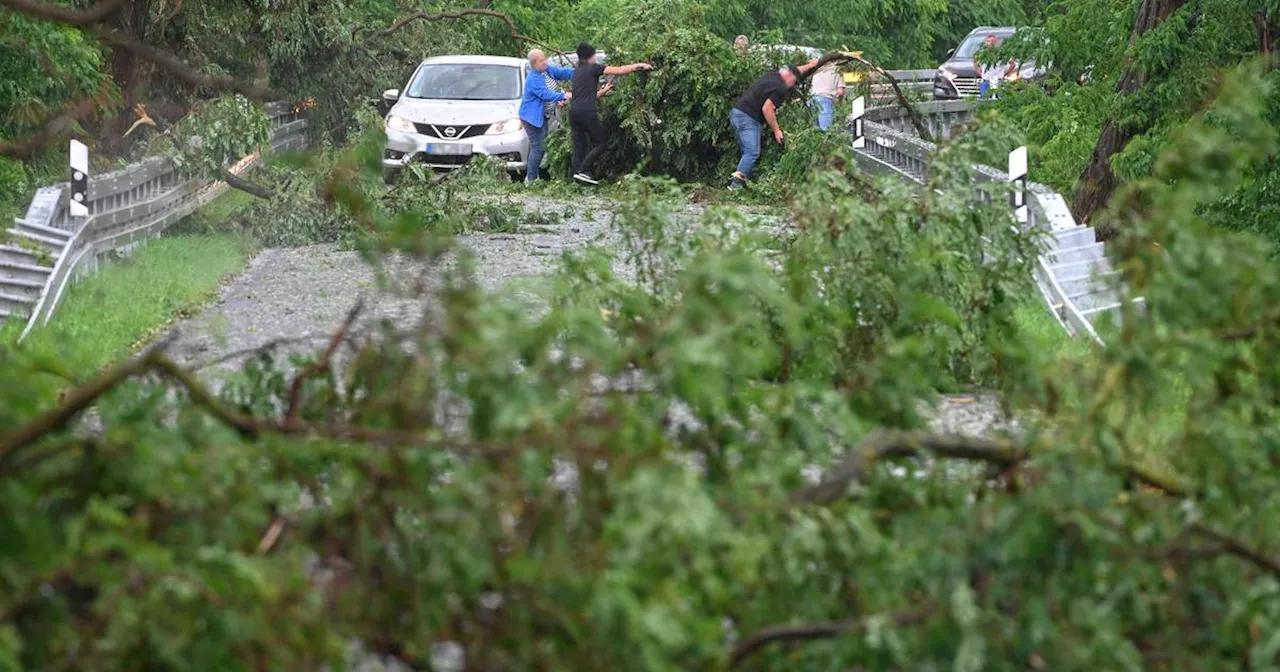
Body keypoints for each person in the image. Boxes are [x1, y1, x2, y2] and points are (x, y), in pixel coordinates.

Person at [729, 58, 820, 190]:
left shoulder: (772, 74)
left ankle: (742, 180)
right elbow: (767, 108)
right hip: (748, 118)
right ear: (788, 76)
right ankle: (735, 186)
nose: (792, 85)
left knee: (746, 150)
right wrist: (777, 130)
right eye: (793, 82)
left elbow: (794, 70)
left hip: (737, 113)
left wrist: (810, 65)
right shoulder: (780, 88)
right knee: (752, 152)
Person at [569, 42, 652, 185]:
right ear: (591, 56)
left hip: (573, 111)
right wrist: (640, 65)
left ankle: (578, 177)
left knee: (579, 146)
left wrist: (603, 91)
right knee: (601, 143)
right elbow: (619, 70)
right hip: (587, 111)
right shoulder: (594, 68)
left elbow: (585, 95)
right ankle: (583, 170)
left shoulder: (577, 72)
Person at [519, 49, 573, 184]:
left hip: (543, 116)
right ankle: (530, 179)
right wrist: (564, 95)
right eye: (542, 60)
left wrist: (579, 73)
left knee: (540, 147)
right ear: (534, 63)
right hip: (531, 118)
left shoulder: (546, 71)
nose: (545, 62)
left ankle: (535, 175)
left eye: (545, 59)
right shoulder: (533, 78)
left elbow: (561, 73)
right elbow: (545, 94)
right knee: (538, 147)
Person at [809, 61, 845, 131]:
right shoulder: (838, 71)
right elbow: (840, 92)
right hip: (825, 100)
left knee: (814, 131)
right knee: (826, 130)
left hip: (811, 99)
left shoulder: (817, 69)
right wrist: (839, 103)